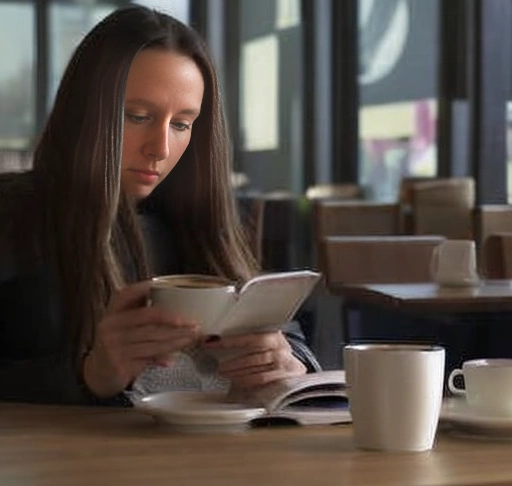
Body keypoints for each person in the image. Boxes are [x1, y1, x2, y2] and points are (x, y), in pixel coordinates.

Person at [0, 5, 320, 406]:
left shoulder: (201, 221)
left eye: (182, 124)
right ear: (84, 113)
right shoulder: (14, 216)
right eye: (137, 116)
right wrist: (88, 375)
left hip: (219, 462)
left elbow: (284, 335)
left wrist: (292, 362)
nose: (161, 148)